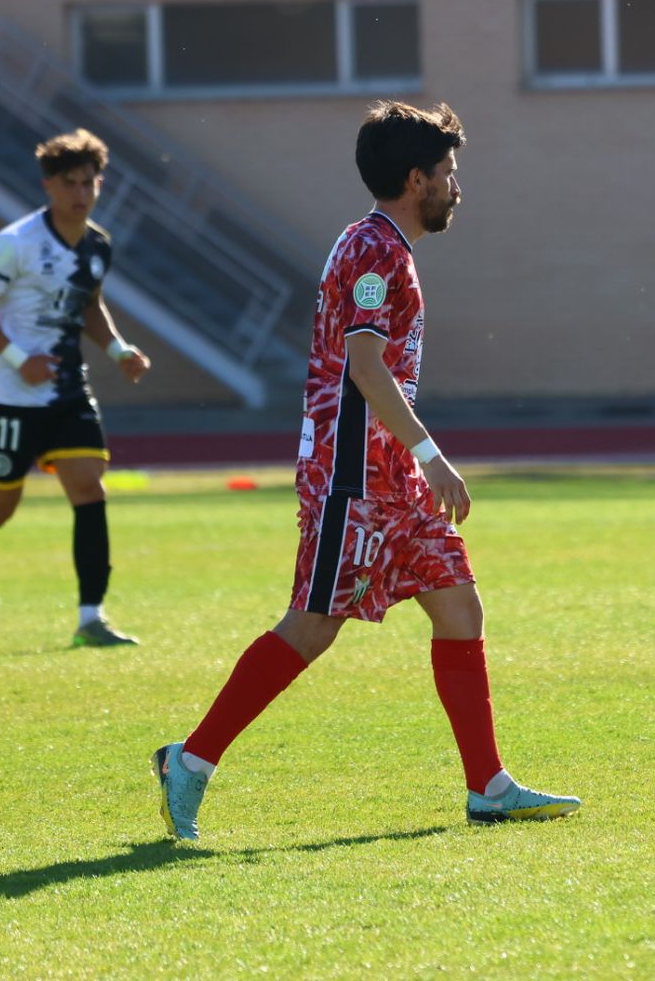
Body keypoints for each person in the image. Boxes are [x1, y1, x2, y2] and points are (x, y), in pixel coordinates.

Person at [154, 100, 579, 840]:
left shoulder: (380, 246)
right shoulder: (375, 251)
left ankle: (489, 786)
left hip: (392, 480)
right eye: (447, 173)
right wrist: (431, 454)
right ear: (416, 179)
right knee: (312, 626)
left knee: (459, 606)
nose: (456, 186)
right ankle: (189, 762)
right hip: (352, 476)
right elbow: (364, 367)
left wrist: (413, 465)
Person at [0, 128, 150, 645]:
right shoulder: (15, 244)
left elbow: (88, 305)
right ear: (48, 185)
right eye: (70, 183)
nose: (80, 194)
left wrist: (118, 351)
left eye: (89, 183)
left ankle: (92, 617)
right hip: (7, 392)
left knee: (90, 486)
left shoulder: (97, 246)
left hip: (68, 387)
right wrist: (20, 360)